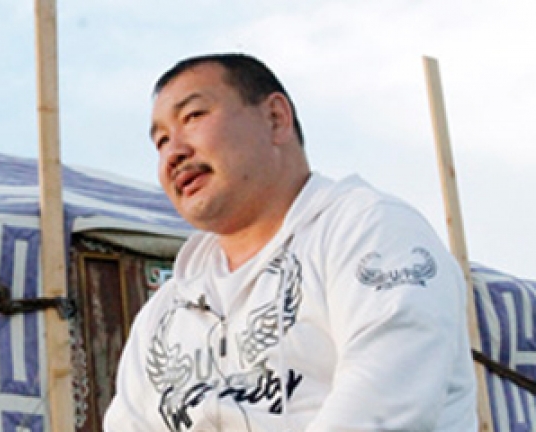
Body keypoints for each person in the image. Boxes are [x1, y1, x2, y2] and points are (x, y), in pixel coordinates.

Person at [103, 53, 478, 431]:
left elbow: (383, 401)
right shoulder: (165, 312)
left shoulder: (368, 229)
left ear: (275, 118)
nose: (174, 152)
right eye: (161, 141)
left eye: (193, 116)